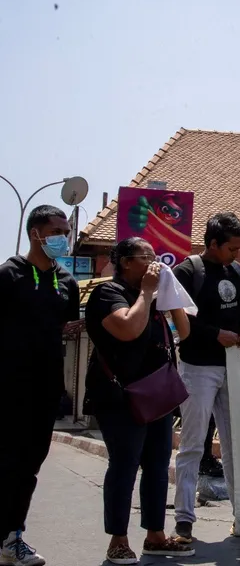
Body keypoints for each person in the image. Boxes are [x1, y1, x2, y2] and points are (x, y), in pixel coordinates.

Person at [83, 238, 194, 564]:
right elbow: (128, 329)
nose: (153, 263)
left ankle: (155, 536)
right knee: (124, 465)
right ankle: (118, 540)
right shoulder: (108, 293)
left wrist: (171, 296)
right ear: (126, 262)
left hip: (157, 395)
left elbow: (184, 332)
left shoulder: (154, 298)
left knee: (158, 466)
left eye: (155, 256)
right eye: (146, 257)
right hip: (120, 397)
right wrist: (146, 292)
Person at [0, 205, 80, 566]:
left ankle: (12, 538)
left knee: (29, 466)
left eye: (66, 232)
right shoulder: (8, 275)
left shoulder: (68, 282)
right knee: (6, 463)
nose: (64, 238)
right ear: (36, 234)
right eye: (57, 231)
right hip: (7, 387)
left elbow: (62, 327)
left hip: (46, 388)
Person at [171, 213, 240, 543]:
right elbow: (180, 319)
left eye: (239, 249)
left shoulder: (236, 271)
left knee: (236, 443)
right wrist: (214, 334)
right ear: (212, 244)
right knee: (193, 443)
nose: (236, 254)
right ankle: (184, 519)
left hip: (232, 366)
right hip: (198, 366)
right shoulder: (187, 272)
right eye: (231, 249)